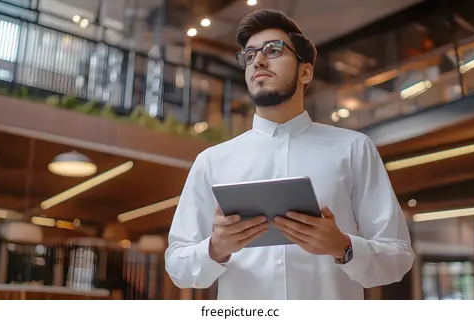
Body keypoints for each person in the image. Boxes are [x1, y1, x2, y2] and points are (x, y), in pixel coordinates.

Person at [165, 9, 414, 300]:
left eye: (273, 50)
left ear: (305, 71)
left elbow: (398, 257)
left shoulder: (353, 148)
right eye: (249, 55)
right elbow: (177, 265)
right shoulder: (212, 161)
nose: (257, 60)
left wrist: (343, 247)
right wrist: (216, 248)